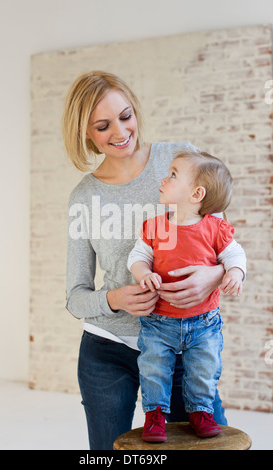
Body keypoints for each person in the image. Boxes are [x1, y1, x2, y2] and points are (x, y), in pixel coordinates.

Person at [62, 71, 242, 450]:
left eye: (125, 116)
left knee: (213, 442)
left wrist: (214, 275)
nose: (120, 131)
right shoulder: (83, 198)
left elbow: (224, 243)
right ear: (86, 133)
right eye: (102, 125)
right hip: (106, 351)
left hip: (180, 346)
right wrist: (115, 299)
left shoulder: (180, 160)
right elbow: (75, 296)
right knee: (112, 454)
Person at [128, 151, 246, 441]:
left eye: (172, 175)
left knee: (203, 370)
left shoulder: (215, 228)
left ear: (196, 194)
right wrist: (144, 273)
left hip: (204, 323)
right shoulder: (156, 226)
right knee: (154, 369)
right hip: (159, 322)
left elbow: (235, 254)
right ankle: (155, 416)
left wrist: (235, 273)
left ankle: (200, 412)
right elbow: (138, 256)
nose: (163, 179)